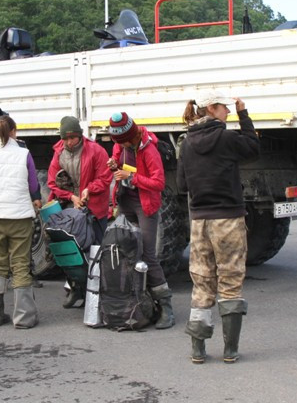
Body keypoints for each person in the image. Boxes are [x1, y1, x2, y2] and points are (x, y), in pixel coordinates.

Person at [177, 89, 259, 364]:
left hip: (199, 221)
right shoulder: (226, 138)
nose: (228, 111)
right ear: (211, 108)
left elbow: (182, 186)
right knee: (230, 281)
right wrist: (244, 114)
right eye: (224, 107)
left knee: (201, 282)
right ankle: (230, 350)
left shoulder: (186, 143)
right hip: (228, 219)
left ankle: (197, 349)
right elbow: (253, 147)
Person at [107, 112, 175, 329]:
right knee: (127, 252)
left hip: (145, 205)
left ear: (133, 135)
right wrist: (113, 165)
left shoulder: (149, 150)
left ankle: (166, 307)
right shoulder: (120, 145)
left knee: (147, 254)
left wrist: (131, 178)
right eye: (118, 143)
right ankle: (136, 302)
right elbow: (118, 164)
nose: (121, 146)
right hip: (125, 202)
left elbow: (159, 183)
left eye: (125, 141)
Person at [0, 115, 41, 328]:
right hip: (19, 216)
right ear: (14, 131)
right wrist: (35, 199)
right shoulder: (24, 154)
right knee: (20, 264)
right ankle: (24, 318)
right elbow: (33, 184)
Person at [47, 116, 113, 244]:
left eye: (72, 138)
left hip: (94, 210)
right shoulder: (58, 153)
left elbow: (105, 178)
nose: (69, 142)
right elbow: (52, 182)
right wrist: (71, 197)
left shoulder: (96, 150)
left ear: (80, 135)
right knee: (73, 249)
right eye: (65, 139)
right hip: (69, 210)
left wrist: (89, 189)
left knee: (96, 248)